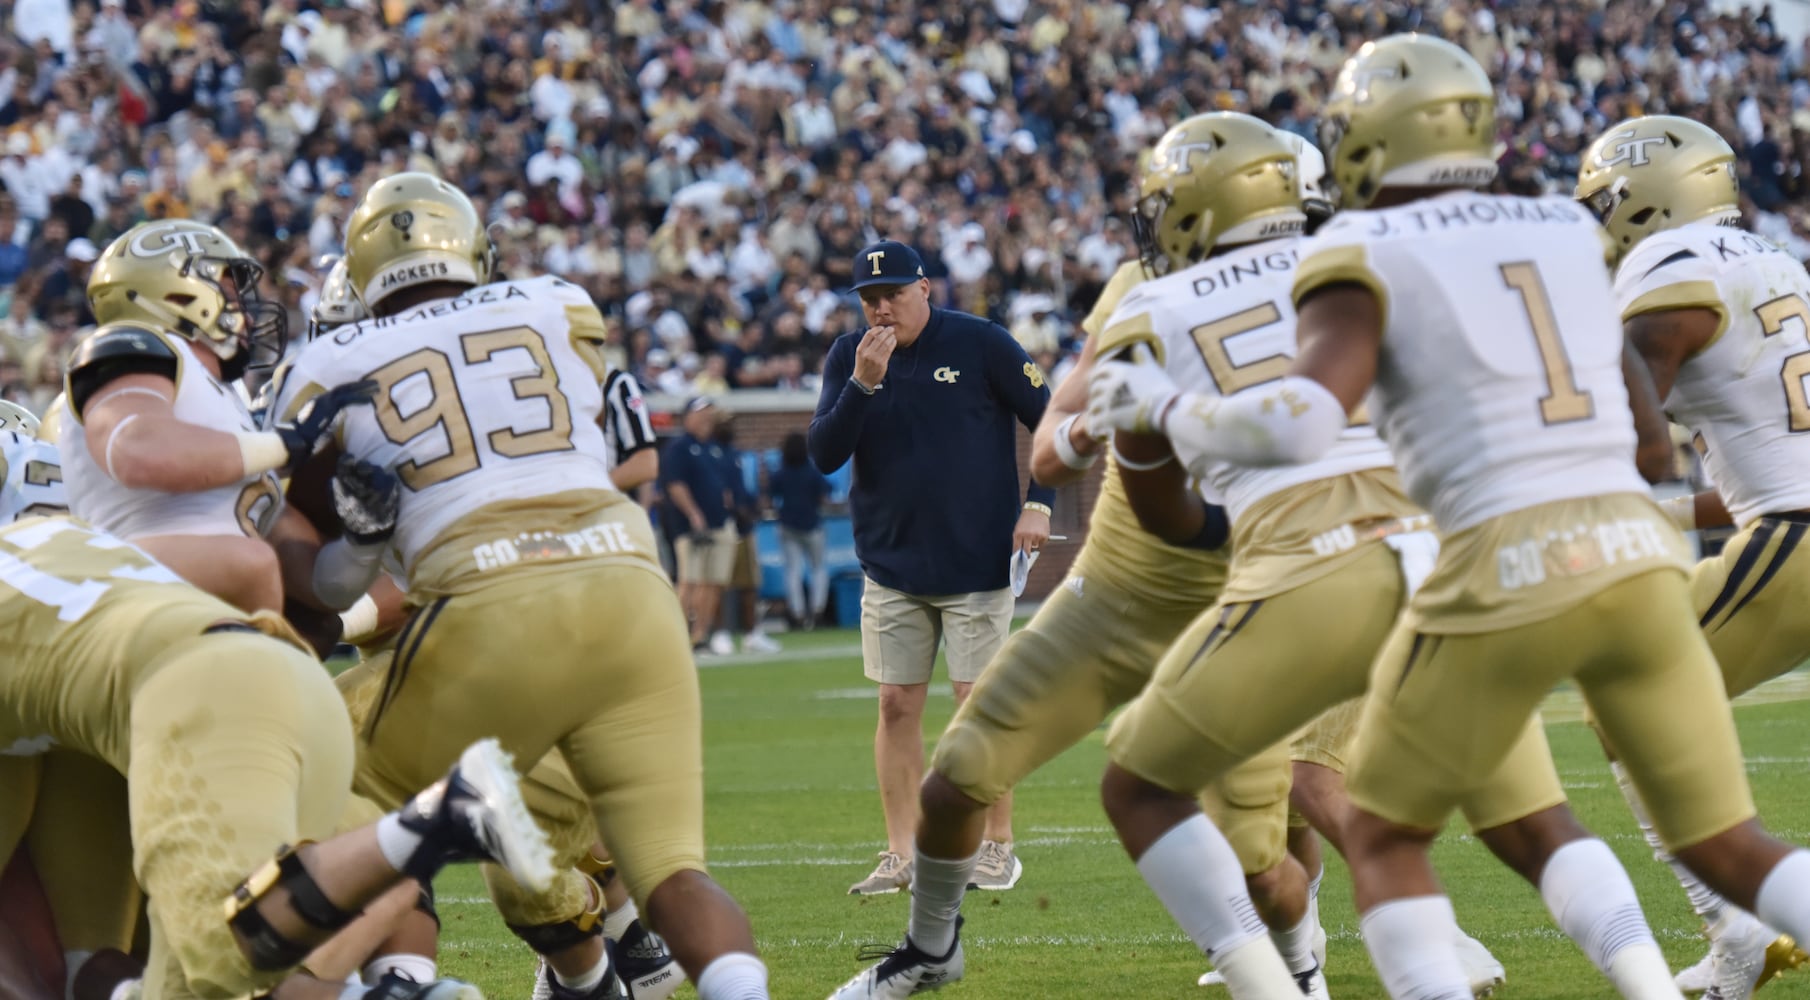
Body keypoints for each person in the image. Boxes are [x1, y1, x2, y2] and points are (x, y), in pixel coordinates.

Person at [1096, 34, 1810, 1000]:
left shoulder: (1356, 246)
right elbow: (1646, 447)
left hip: (1505, 557)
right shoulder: (1562, 228)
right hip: (1633, 554)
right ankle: (1685, 960)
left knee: (1383, 827)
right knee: (1726, 841)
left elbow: (1304, 423)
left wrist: (1162, 410)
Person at [271, 171, 770, 1000]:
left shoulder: (327, 359)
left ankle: (370, 982)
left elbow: (314, 578)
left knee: (311, 762)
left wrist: (355, 549)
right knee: (675, 874)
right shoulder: (561, 303)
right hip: (630, 587)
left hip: (490, 601)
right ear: (473, 249)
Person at [0, 431, 550, 1000]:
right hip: (286, 682)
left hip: (187, 705)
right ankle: (404, 971)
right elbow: (251, 564)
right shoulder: (112, 545)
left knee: (213, 964)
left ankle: (433, 829)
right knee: (169, 972)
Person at [1577, 115, 1810, 998]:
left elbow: (1626, 418)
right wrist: (1670, 512)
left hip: (1793, 547)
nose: (1605, 221)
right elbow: (1771, 459)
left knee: (1625, 698)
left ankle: (1740, 927)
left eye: (1608, 201)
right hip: (1790, 527)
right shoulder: (1774, 260)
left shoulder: (1667, 264)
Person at [808, 239, 1053, 897]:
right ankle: (902, 851)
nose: (882, 310)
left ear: (924, 288)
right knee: (894, 705)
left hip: (978, 560)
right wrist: (861, 385)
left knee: (978, 703)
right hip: (891, 561)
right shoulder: (848, 357)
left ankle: (997, 844)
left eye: (892, 295)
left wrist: (1041, 503)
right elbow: (825, 453)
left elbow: (1053, 420)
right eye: (869, 300)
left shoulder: (981, 342)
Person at [660, 395, 739, 655]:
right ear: (688, 416)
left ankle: (700, 635)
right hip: (690, 527)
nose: (708, 418)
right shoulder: (679, 447)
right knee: (689, 580)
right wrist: (693, 513)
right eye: (702, 413)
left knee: (713, 581)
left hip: (719, 523)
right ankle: (678, 635)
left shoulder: (713, 448)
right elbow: (675, 485)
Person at [715, 415, 782, 654]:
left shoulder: (735, 456)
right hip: (722, 526)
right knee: (720, 584)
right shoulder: (713, 455)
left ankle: (752, 633)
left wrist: (752, 508)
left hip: (743, 527)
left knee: (749, 584)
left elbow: (742, 491)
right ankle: (720, 634)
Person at [768, 431, 829, 630]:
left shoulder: (780, 472)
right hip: (812, 525)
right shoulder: (812, 472)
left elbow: (770, 497)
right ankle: (818, 609)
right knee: (818, 568)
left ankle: (798, 613)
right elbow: (825, 495)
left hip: (788, 525)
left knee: (792, 571)